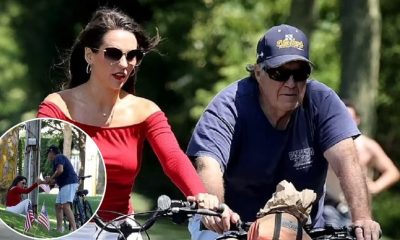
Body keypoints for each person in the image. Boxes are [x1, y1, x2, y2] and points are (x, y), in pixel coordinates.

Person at [37, 7, 219, 239]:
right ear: (89, 55)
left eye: (133, 55)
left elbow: (173, 158)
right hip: (70, 228)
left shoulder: (145, 110)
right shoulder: (58, 106)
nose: (124, 63)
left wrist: (201, 194)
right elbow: (40, 162)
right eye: (113, 53)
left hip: (122, 229)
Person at [186, 24, 381, 240]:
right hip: (234, 225)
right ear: (258, 72)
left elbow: (347, 161)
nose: (291, 83)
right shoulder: (229, 106)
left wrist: (362, 218)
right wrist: (217, 209)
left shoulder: (322, 101)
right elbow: (208, 164)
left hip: (302, 229)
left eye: (299, 73)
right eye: (279, 73)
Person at [324, 100, 400, 227]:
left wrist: (375, 186)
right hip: (330, 206)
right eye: (341, 117)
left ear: (357, 120)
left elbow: (392, 172)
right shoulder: (325, 143)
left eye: (350, 117)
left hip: (358, 210)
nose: (345, 121)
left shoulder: (368, 146)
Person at [45, 145, 79, 233]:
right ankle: (59, 229)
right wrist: (47, 181)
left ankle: (74, 229)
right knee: (58, 206)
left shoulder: (58, 157)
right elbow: (56, 178)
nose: (48, 156)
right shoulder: (57, 160)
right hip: (64, 184)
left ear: (52, 152)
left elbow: (60, 170)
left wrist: (51, 178)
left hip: (69, 182)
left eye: (48, 153)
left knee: (66, 206)